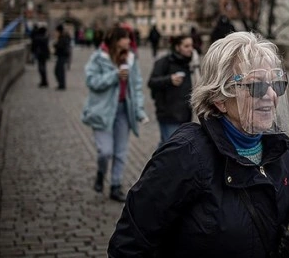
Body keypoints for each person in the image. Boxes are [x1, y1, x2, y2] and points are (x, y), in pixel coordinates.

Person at [109, 31, 289, 258]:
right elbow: (130, 244)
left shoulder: (282, 151)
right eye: (256, 87)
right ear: (220, 99)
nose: (271, 95)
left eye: (276, 84)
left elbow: (277, 216)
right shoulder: (185, 155)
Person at [82, 26, 148, 202]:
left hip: (123, 110)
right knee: (105, 151)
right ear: (115, 40)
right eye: (125, 38)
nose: (129, 41)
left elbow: (136, 87)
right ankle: (101, 172)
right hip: (102, 110)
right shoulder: (98, 58)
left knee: (120, 152)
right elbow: (92, 81)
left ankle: (115, 186)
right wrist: (115, 75)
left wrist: (139, 110)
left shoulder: (131, 59)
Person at [148, 35, 195, 147]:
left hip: (185, 114)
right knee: (170, 148)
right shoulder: (164, 62)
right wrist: (169, 79)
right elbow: (152, 82)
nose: (190, 49)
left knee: (173, 147)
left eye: (191, 45)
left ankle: (158, 162)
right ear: (178, 47)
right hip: (168, 114)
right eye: (186, 46)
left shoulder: (190, 64)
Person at [53, 24, 71, 90]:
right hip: (61, 55)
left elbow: (61, 46)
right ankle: (61, 84)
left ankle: (62, 85)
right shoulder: (62, 37)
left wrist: (55, 44)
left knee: (59, 71)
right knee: (58, 70)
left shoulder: (63, 37)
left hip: (62, 55)